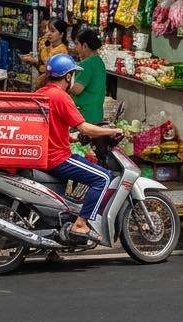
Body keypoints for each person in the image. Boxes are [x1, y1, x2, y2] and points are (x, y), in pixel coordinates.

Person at [36, 53, 120, 240]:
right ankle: (81, 224)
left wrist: (71, 137)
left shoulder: (41, 94)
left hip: (43, 155)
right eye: (73, 74)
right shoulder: (61, 97)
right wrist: (110, 131)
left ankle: (55, 238)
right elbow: (84, 127)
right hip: (57, 159)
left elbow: (50, 128)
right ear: (68, 76)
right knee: (103, 178)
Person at [70, 28, 107, 124]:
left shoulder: (85, 64)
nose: (75, 48)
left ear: (85, 46)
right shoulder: (99, 62)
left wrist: (64, 88)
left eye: (77, 44)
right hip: (96, 113)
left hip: (84, 114)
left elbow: (77, 89)